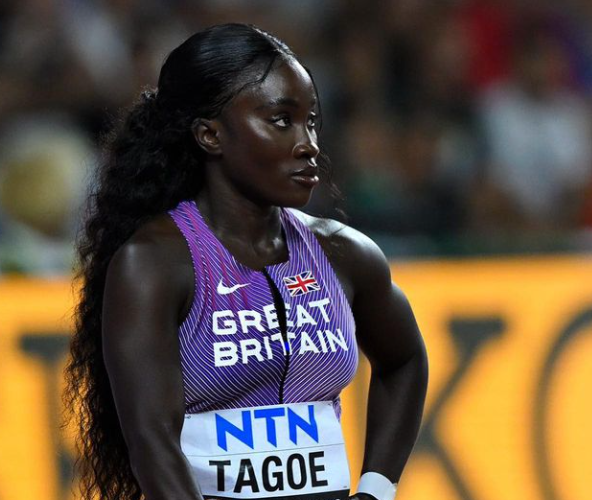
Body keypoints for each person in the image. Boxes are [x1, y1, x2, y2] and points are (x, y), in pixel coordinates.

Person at [63, 23, 428, 500]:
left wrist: (377, 489)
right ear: (210, 135)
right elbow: (151, 440)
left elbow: (405, 361)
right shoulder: (154, 263)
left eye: (311, 121)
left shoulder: (344, 254)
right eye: (281, 120)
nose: (308, 143)